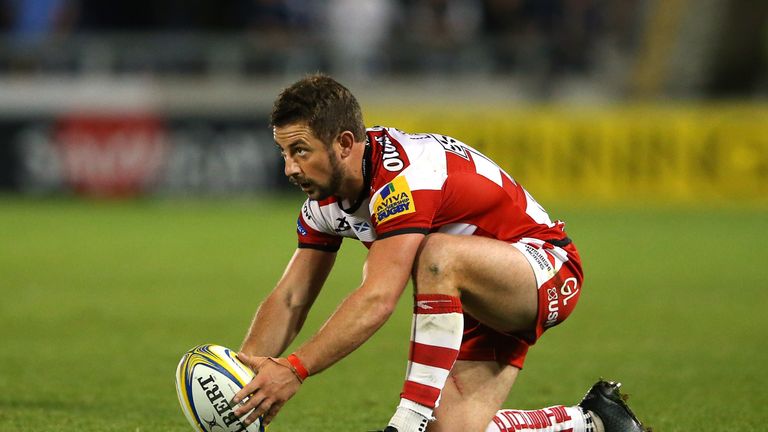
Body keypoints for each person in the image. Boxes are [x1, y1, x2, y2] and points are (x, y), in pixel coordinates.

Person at [230, 74, 647, 432]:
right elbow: (291, 297)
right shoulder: (322, 204)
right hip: (467, 297)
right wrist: (243, 380)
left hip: (543, 268)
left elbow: (378, 298)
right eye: (283, 153)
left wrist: (295, 369)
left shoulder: (404, 177)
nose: (289, 168)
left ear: (343, 143)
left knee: (437, 253)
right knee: (450, 429)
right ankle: (592, 420)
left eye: (300, 150)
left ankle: (408, 419)